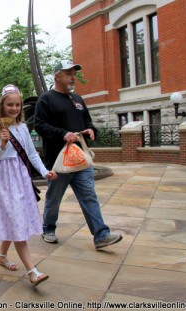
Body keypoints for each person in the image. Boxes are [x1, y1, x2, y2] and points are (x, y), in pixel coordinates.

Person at [34, 60, 123, 250]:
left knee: (89, 196)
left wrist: (91, 130)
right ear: (57, 76)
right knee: (54, 198)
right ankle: (48, 228)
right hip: (59, 161)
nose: (72, 77)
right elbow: (39, 125)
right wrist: (62, 133)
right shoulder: (46, 99)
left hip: (81, 160)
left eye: (73, 73)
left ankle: (101, 235)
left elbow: (88, 122)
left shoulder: (78, 99)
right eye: (68, 73)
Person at [0, 84, 58, 286]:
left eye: (17, 105)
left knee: (14, 220)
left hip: (21, 178)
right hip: (4, 180)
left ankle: (1, 255)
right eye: (10, 104)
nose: (14, 108)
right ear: (2, 105)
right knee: (16, 222)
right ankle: (32, 271)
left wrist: (45, 171)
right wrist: (2, 145)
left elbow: (32, 154)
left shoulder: (23, 128)